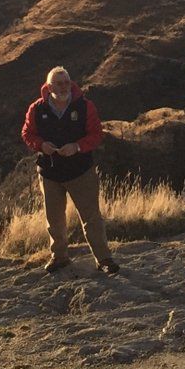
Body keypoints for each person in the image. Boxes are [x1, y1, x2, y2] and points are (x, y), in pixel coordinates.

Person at [21, 66, 119, 276]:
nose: (64, 87)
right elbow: (27, 133)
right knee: (54, 219)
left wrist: (77, 147)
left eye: (66, 82)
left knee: (91, 217)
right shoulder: (36, 109)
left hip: (81, 171)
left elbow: (96, 134)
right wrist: (41, 145)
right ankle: (59, 257)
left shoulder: (85, 106)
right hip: (50, 173)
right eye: (59, 83)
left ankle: (104, 259)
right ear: (49, 87)